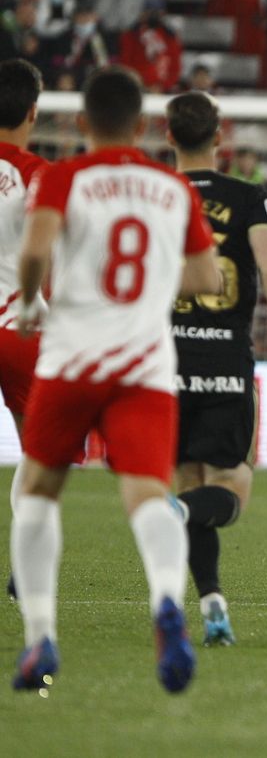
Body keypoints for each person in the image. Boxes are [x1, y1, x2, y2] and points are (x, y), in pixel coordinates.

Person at [10, 65, 223, 694]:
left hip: (73, 358)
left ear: (81, 123)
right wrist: (155, 285)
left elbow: (35, 249)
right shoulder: (172, 188)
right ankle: (166, 600)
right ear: (142, 126)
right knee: (148, 497)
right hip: (145, 368)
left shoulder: (65, 177)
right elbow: (209, 279)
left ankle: (40, 637)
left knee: (39, 492)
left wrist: (28, 301)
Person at [164, 92, 267, 648]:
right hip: (226, 359)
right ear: (218, 137)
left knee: (188, 483)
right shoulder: (251, 197)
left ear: (169, 135)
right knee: (229, 491)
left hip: (165, 358)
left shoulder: (155, 194)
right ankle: (169, 514)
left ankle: (212, 604)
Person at [0, 61, 46, 602]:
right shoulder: (39, 174)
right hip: (20, 326)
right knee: (40, 450)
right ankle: (24, 565)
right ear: (33, 111)